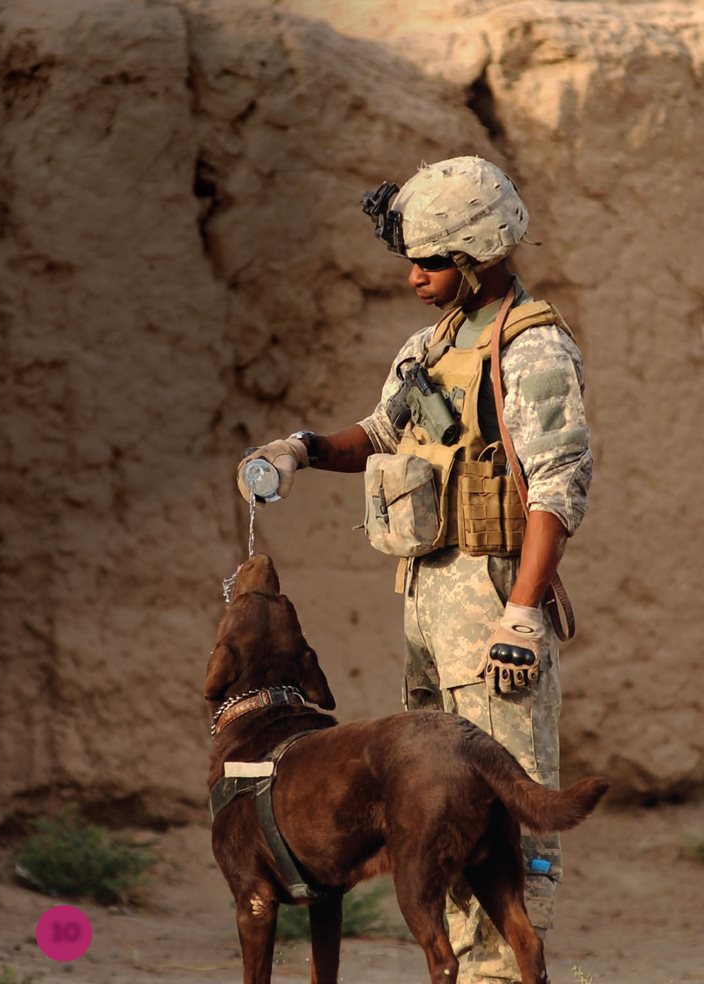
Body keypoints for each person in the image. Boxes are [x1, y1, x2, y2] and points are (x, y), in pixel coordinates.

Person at [236, 156, 592, 984]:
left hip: (492, 601)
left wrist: (524, 613)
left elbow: (558, 487)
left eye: (429, 261)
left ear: (475, 258)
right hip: (428, 599)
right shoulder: (433, 343)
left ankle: (506, 972)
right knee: (436, 810)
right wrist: (302, 451)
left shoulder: (531, 348)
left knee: (507, 811)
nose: (412, 277)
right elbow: (385, 430)